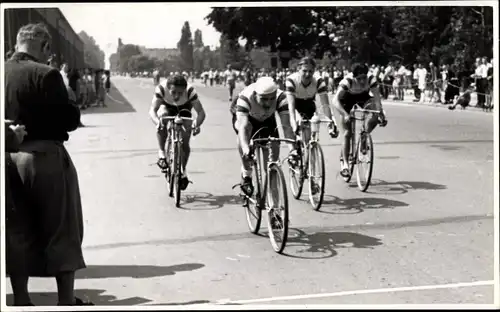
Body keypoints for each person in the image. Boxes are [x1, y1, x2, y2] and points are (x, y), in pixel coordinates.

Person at [4, 23, 91, 306]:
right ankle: (65, 300)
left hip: (7, 158)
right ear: (44, 47)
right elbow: (68, 120)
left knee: (17, 229)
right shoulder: (48, 74)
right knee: (62, 228)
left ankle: (21, 299)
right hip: (44, 158)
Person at [229, 77, 296, 196]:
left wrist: (292, 150)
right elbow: (243, 127)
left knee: (272, 163)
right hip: (247, 119)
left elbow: (286, 126)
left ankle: (274, 207)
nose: (268, 103)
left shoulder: (281, 97)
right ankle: (246, 173)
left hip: (267, 119)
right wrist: (245, 148)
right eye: (264, 99)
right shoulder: (246, 98)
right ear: (255, 95)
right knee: (245, 135)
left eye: (272, 99)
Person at [149, 74, 206, 190]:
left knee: (185, 141)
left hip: (184, 108)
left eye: (180, 93)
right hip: (166, 107)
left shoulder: (190, 91)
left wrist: (196, 124)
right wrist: (157, 122)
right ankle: (161, 153)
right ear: (168, 88)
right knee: (162, 117)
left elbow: (201, 113)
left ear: (184, 89)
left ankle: (182, 171)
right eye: (173, 92)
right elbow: (152, 111)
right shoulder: (161, 89)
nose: (176, 96)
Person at [332, 63, 387, 178]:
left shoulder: (371, 79)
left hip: (363, 96)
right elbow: (335, 100)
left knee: (375, 115)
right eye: (359, 79)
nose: (362, 81)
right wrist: (345, 114)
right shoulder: (348, 81)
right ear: (354, 77)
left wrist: (380, 112)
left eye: (364, 78)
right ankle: (345, 165)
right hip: (347, 98)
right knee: (347, 133)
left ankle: (364, 135)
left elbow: (377, 97)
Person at [285, 57, 339, 150]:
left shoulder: (319, 81)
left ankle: (308, 157)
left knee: (308, 136)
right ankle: (294, 152)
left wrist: (330, 124)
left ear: (314, 71)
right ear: (299, 69)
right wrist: (294, 123)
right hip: (294, 104)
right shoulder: (291, 80)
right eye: (304, 71)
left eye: (310, 71)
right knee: (294, 126)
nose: (307, 74)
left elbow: (325, 105)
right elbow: (291, 105)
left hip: (309, 103)